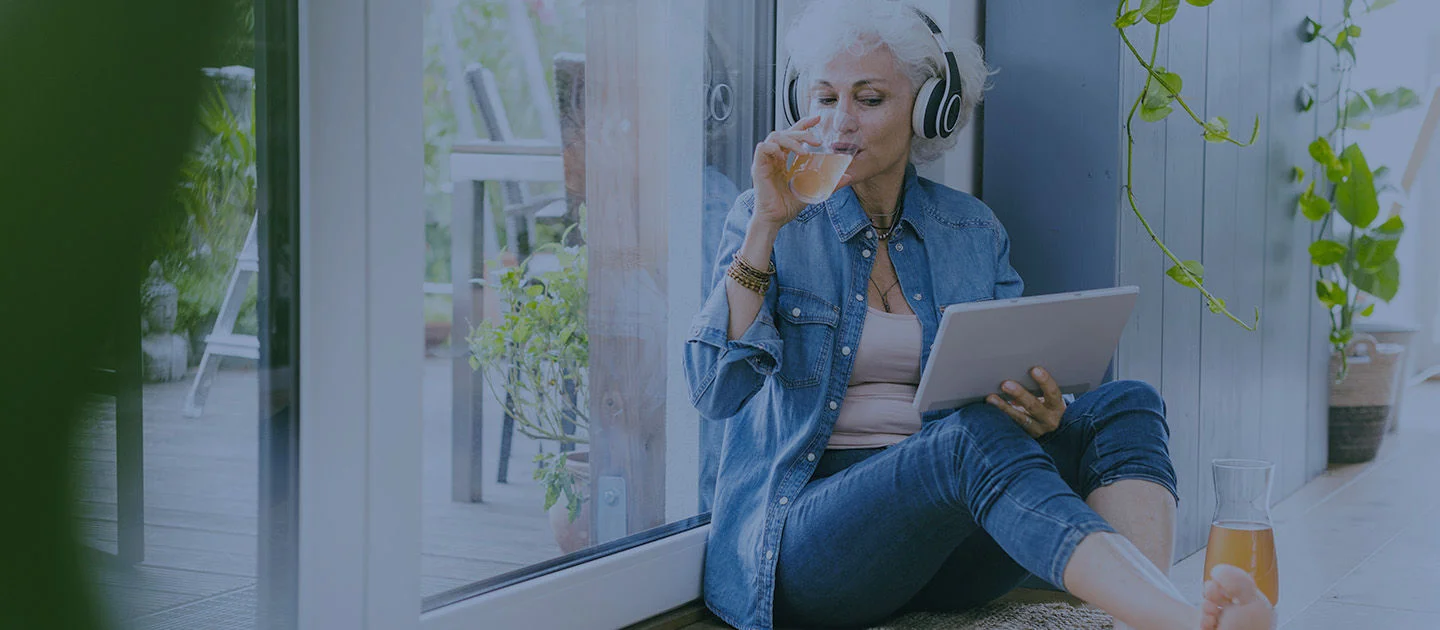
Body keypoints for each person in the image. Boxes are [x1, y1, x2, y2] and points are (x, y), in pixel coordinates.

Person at [681, 2, 1275, 629]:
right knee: (966, 440)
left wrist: (1041, 411)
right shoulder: (768, 216)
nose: (838, 122)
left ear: (929, 108)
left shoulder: (969, 227)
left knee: (1126, 402)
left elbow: (1005, 394)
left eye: (869, 98)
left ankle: (1139, 611)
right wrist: (766, 231)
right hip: (810, 541)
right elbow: (715, 391)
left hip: (946, 532)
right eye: (824, 97)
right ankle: (1178, 622)